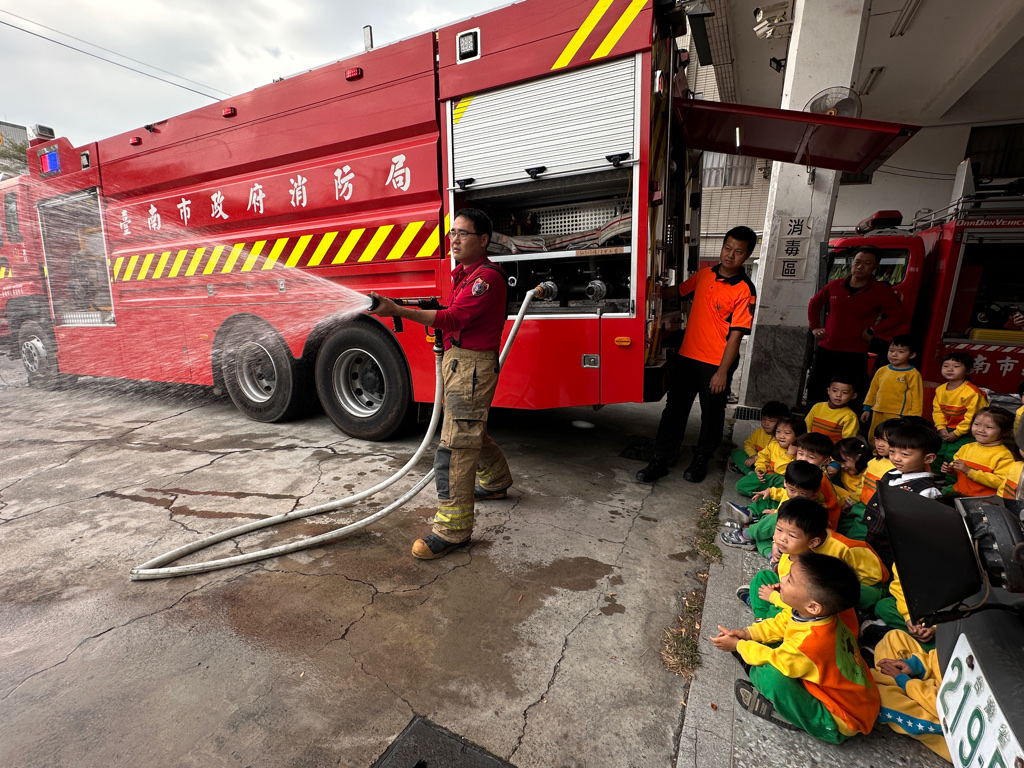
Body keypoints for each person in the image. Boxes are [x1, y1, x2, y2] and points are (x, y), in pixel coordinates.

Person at [368, 208, 512, 560]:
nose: (454, 240)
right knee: (468, 430)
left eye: (463, 233)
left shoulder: (486, 278)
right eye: (452, 233)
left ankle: (453, 529)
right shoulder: (463, 274)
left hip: (471, 368)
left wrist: (397, 311)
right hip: (460, 363)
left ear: (483, 240)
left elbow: (454, 318)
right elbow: (453, 312)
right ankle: (496, 481)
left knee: (456, 447)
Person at [710, 552, 880, 743]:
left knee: (771, 678)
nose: (782, 579)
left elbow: (776, 660)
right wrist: (748, 634)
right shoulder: (818, 616)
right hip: (854, 697)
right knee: (771, 647)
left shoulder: (812, 643)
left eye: (790, 580)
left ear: (813, 606)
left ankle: (796, 717)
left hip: (841, 719)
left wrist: (739, 646)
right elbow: (783, 622)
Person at [637, 226, 758, 484]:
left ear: (747, 256)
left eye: (738, 252)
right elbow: (677, 292)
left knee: (711, 415)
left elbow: (736, 336)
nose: (730, 255)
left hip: (716, 364)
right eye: (727, 248)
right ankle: (660, 459)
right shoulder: (705, 275)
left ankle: (701, 459)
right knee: (674, 410)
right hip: (687, 358)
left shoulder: (745, 289)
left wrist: (722, 372)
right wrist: (643, 289)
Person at [739, 498, 888, 620]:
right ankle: (762, 616)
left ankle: (765, 613)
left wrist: (775, 598)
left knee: (804, 607)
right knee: (762, 578)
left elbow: (879, 576)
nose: (781, 539)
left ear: (813, 543)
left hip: (850, 590)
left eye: (791, 535)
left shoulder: (843, 548)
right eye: (778, 530)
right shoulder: (794, 546)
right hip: (805, 590)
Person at [806, 248, 905, 409]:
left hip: (855, 353)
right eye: (857, 262)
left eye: (867, 263)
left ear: (875, 267)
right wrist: (815, 326)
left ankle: (848, 423)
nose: (860, 267)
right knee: (816, 389)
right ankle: (812, 422)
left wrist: (874, 330)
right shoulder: (835, 285)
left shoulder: (880, 291)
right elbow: (814, 303)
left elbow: (898, 316)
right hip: (827, 349)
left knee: (852, 394)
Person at [864, 423, 942, 568]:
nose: (896, 458)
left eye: (905, 454)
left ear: (928, 458)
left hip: (894, 546)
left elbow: (922, 529)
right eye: (892, 451)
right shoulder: (890, 474)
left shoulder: (927, 491)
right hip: (874, 535)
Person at [870, 631, 951, 762]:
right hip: (935, 687)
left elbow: (946, 707)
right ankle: (887, 679)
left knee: (879, 696)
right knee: (894, 637)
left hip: (948, 722)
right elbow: (938, 658)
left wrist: (905, 682)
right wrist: (915, 665)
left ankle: (884, 680)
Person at [931, 351, 987, 477]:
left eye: (956, 366)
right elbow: (937, 411)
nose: (950, 369)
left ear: (969, 371)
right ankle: (935, 477)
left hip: (965, 432)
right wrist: (941, 428)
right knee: (938, 452)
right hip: (946, 429)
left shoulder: (972, 392)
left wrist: (957, 433)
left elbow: (973, 417)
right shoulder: (940, 389)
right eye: (946, 366)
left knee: (954, 456)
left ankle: (952, 482)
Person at [942, 406, 1017, 497]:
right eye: (976, 424)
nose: (980, 430)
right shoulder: (966, 447)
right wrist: (951, 469)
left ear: (1004, 432)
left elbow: (1001, 482)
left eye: (989, 427)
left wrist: (970, 471)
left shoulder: (1004, 455)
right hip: (959, 491)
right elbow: (958, 471)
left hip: (982, 498)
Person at [860, 335, 923, 439]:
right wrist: (867, 408)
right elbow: (872, 390)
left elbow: (917, 397)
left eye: (901, 352)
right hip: (878, 410)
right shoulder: (881, 370)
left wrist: (915, 417)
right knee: (874, 436)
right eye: (891, 350)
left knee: (892, 438)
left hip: (898, 414)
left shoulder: (913, 374)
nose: (894, 354)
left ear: (912, 355)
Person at [735, 414, 805, 497]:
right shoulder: (773, 445)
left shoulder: (799, 452)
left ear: (798, 436)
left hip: (781, 481)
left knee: (785, 485)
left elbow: (780, 471)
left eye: (787, 433)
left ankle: (769, 496)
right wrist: (760, 469)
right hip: (766, 477)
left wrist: (788, 455)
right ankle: (763, 494)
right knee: (740, 486)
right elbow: (762, 457)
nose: (781, 436)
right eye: (778, 431)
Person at [729, 401, 789, 475]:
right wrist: (754, 456)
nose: (766, 423)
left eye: (771, 421)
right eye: (764, 419)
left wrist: (757, 459)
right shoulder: (758, 432)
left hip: (768, 467)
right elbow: (748, 444)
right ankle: (750, 473)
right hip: (754, 462)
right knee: (736, 452)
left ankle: (751, 473)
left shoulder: (781, 439)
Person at [805, 376, 859, 444]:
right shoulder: (817, 407)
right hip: (811, 445)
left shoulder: (850, 416)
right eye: (834, 391)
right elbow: (807, 427)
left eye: (845, 392)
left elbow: (847, 442)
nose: (838, 395)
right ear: (828, 391)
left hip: (832, 449)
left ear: (853, 396)